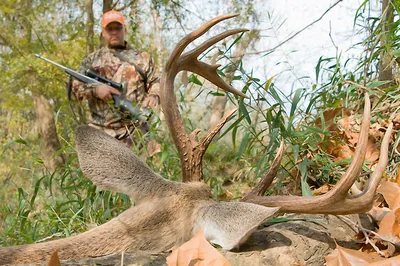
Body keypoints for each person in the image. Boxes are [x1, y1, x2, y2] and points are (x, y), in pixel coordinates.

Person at [72, 10, 160, 147]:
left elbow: (156, 82)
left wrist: (154, 96)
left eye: (118, 28)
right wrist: (95, 90)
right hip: (100, 135)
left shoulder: (143, 58)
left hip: (136, 133)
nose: (114, 32)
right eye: (109, 29)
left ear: (125, 29)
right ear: (103, 32)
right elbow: (75, 91)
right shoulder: (91, 60)